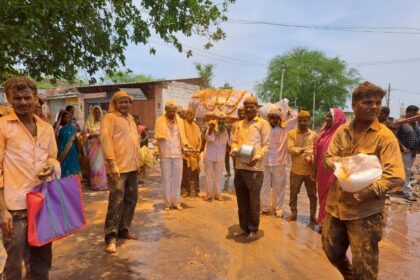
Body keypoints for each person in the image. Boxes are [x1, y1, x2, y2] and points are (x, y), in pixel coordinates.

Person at [322, 81, 405, 280]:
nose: (374, 107)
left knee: (365, 268)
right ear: (354, 106)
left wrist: (369, 191)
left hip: (365, 212)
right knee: (331, 250)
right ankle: (349, 276)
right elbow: (327, 158)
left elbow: (396, 176)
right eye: (368, 102)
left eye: (377, 103)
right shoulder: (342, 132)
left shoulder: (385, 137)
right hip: (336, 206)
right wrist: (336, 164)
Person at [0, 76, 61, 280]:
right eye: (17, 98)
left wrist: (51, 166)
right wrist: (2, 211)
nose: (23, 102)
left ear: (35, 97)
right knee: (13, 264)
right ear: (9, 98)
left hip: (43, 202)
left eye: (27, 97)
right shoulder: (3, 127)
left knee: (42, 260)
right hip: (15, 207)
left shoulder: (46, 128)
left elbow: (53, 157)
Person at [101, 91, 141, 254]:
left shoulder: (131, 119)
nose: (124, 105)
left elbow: (135, 142)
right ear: (115, 103)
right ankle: (111, 237)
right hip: (117, 168)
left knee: (131, 200)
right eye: (121, 102)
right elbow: (105, 140)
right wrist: (112, 163)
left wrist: (139, 162)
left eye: (127, 102)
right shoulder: (109, 118)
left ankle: (124, 230)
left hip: (132, 167)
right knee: (116, 202)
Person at [230, 96, 271, 242]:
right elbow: (234, 142)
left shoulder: (263, 124)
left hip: (255, 169)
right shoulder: (239, 124)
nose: (248, 109)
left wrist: (257, 157)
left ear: (256, 107)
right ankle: (243, 227)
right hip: (240, 167)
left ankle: (253, 229)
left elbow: (267, 145)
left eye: (251, 106)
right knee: (242, 201)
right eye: (246, 106)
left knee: (254, 202)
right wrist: (233, 150)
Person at [261, 107, 297, 218]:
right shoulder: (264, 127)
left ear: (280, 119)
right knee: (264, 185)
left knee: (279, 186)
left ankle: (278, 208)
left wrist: (289, 111)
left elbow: (296, 117)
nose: (274, 120)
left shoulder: (285, 127)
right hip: (265, 161)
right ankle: (265, 207)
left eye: (277, 118)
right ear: (268, 118)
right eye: (272, 117)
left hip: (279, 162)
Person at [313, 108, 346, 228]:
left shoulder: (342, 135)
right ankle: (323, 220)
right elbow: (317, 151)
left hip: (333, 171)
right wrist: (314, 169)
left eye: (330, 117)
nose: (327, 119)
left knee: (330, 197)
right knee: (322, 196)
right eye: (326, 116)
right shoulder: (323, 132)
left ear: (337, 119)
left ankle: (326, 223)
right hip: (322, 170)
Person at [154, 100, 188, 211]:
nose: (172, 113)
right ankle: (167, 203)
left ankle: (176, 202)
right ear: (165, 110)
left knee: (177, 179)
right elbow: (156, 138)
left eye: (174, 111)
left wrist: (187, 147)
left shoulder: (180, 122)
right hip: (165, 153)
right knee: (166, 179)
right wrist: (156, 149)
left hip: (177, 153)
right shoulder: (159, 121)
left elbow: (183, 138)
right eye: (170, 111)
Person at [287, 110, 318, 225]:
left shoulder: (314, 135)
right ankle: (293, 213)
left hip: (310, 171)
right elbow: (290, 149)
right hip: (296, 170)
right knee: (293, 193)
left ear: (309, 121)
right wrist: (304, 150)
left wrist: (306, 152)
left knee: (312, 195)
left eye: (305, 120)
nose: (302, 122)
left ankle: (312, 216)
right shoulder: (291, 133)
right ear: (297, 121)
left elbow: (316, 151)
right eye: (300, 120)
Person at [203, 112, 231, 201]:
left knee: (218, 175)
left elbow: (230, 143)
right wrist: (211, 129)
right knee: (209, 175)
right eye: (219, 119)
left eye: (223, 119)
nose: (221, 121)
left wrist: (230, 131)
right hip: (209, 154)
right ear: (216, 119)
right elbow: (209, 139)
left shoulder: (226, 129)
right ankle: (209, 194)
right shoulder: (211, 126)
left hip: (220, 156)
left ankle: (218, 194)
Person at [81, 106, 107, 191]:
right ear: (93, 113)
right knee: (94, 167)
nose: (97, 114)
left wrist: (102, 137)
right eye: (95, 112)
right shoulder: (89, 122)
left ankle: (102, 184)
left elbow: (107, 134)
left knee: (101, 166)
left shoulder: (103, 122)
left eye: (99, 112)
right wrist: (93, 135)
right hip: (92, 148)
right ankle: (95, 185)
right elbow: (83, 135)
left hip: (101, 148)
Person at [396, 105, 419, 202]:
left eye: (416, 114)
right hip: (405, 152)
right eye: (413, 114)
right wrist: (402, 147)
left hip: (413, 152)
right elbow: (394, 136)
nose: (415, 116)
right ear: (407, 113)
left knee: (406, 172)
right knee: (407, 172)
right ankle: (407, 193)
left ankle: (401, 188)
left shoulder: (416, 123)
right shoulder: (400, 123)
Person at [181, 109, 202, 197]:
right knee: (186, 173)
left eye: (193, 115)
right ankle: (187, 190)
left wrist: (198, 149)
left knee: (195, 174)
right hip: (186, 153)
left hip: (195, 154)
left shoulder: (196, 126)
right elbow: (182, 138)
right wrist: (187, 148)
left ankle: (197, 191)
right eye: (190, 114)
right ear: (185, 115)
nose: (192, 116)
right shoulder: (182, 125)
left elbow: (199, 139)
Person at [57, 110, 81, 177]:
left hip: (72, 151)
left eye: (68, 117)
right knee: (64, 168)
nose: (67, 119)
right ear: (62, 118)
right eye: (65, 117)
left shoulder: (73, 128)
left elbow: (76, 140)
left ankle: (73, 185)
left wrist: (79, 151)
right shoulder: (59, 128)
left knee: (72, 169)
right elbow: (57, 139)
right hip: (62, 151)